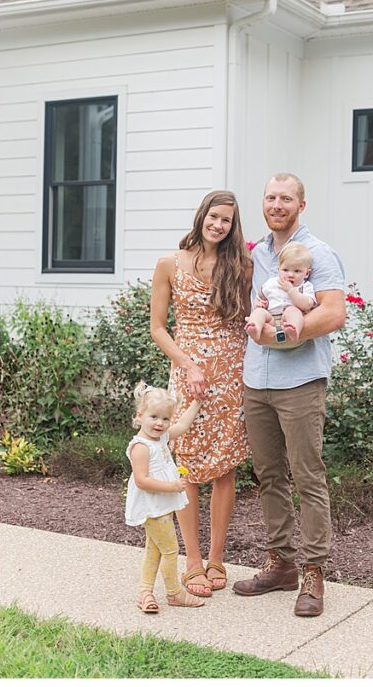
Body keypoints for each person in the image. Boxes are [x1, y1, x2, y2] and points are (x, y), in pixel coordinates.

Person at [231, 173, 346, 617]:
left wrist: (281, 337)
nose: (277, 204)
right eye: (270, 197)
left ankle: (314, 571)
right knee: (268, 475)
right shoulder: (258, 252)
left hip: (298, 381)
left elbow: (334, 313)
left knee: (307, 475)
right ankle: (281, 564)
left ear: (301, 204)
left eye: (286, 198)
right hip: (255, 382)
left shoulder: (318, 253)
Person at [150, 190, 252, 598]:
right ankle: (191, 560)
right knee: (187, 465)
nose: (218, 225)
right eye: (214, 216)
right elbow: (159, 327)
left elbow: (252, 315)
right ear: (202, 216)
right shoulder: (169, 264)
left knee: (225, 467)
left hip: (231, 375)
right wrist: (189, 365)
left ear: (233, 226)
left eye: (226, 220)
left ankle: (216, 558)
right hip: (188, 376)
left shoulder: (240, 266)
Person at [125, 382, 204, 613]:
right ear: (140, 416)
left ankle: (145, 592)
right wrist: (172, 486)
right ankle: (174, 593)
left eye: (165, 419)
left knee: (154, 549)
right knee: (171, 550)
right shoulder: (141, 447)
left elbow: (183, 426)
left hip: (160, 505)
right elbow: (142, 480)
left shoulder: (160, 438)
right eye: (154, 417)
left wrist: (197, 403)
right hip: (152, 507)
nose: (160, 423)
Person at [245, 241, 317, 343]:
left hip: (287, 320)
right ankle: (254, 328)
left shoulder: (305, 286)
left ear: (307, 273)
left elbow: (307, 305)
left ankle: (294, 330)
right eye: (286, 270)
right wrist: (259, 303)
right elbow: (260, 296)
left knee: (293, 311)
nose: (290, 274)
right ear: (279, 269)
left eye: (297, 271)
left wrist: (291, 291)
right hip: (270, 319)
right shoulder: (271, 283)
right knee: (259, 312)